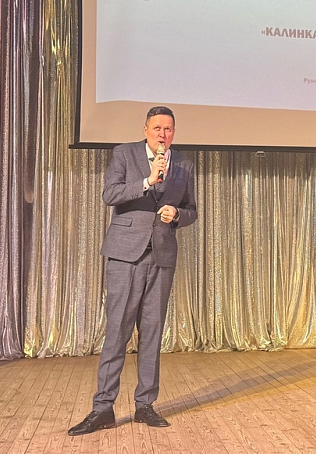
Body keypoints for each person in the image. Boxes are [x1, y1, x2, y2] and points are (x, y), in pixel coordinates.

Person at [68, 106, 197, 435]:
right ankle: (103, 408)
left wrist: (177, 215)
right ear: (145, 130)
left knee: (152, 333)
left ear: (173, 132)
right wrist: (147, 181)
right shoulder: (124, 154)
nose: (162, 134)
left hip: (162, 256)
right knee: (117, 332)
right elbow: (110, 194)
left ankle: (145, 405)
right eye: (157, 128)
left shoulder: (184, 164)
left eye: (168, 129)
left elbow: (192, 210)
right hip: (126, 255)